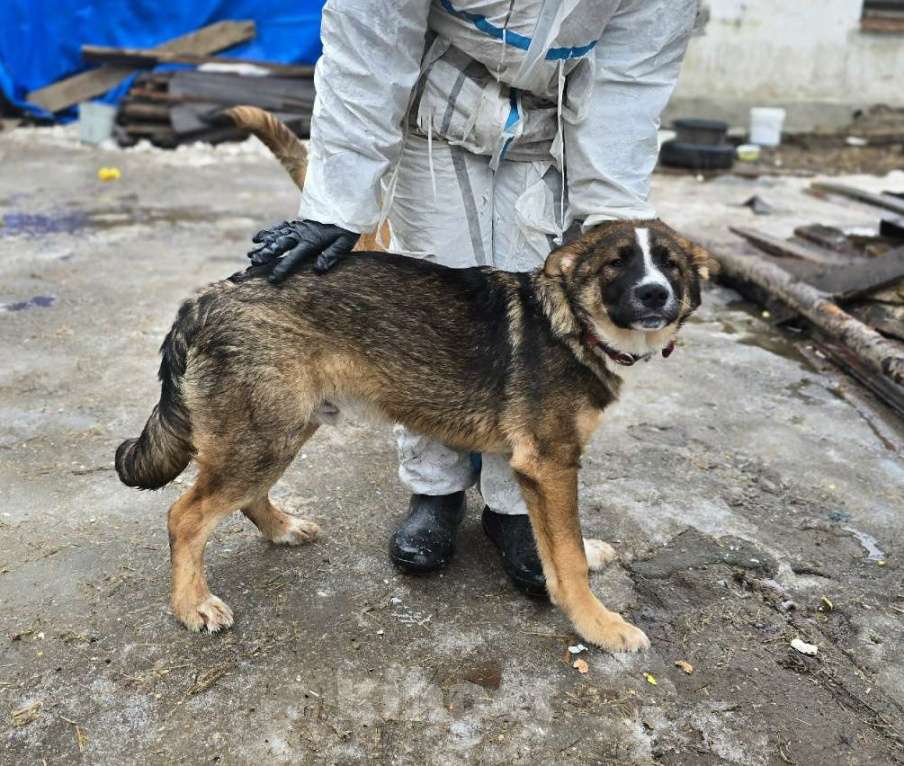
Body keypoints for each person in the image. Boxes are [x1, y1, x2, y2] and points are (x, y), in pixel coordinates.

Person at [249, 0, 699, 595]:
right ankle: (435, 491)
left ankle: (514, 508)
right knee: (426, 324)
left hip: (553, 136)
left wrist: (618, 222)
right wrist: (337, 201)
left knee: (542, 336)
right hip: (438, 120)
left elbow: (630, 78)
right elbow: (373, 33)